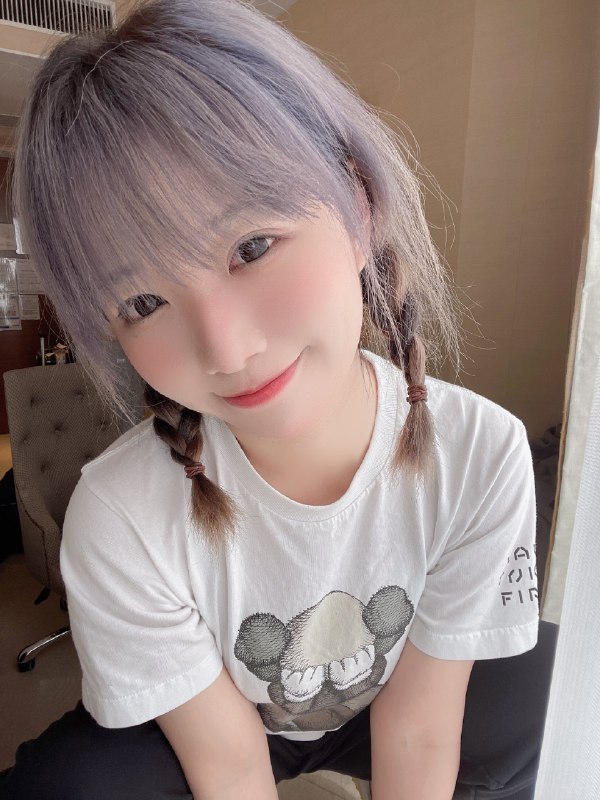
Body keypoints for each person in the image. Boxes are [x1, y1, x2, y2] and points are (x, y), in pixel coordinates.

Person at [2, 1, 556, 798]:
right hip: (218, 716)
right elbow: (228, 764)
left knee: (550, 682)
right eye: (143, 303)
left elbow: (421, 727)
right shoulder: (121, 514)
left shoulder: (480, 452)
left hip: (386, 694)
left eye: (251, 247)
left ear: (358, 205)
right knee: (69, 783)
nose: (226, 351)